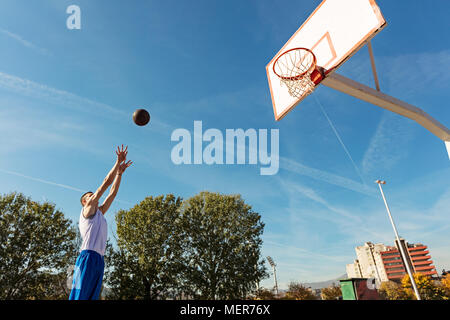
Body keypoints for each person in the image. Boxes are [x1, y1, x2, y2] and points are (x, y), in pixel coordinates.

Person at [69, 145, 132, 300]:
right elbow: (105, 184)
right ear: (85, 202)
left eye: (93, 195)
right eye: (90, 196)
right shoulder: (87, 211)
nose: (93, 197)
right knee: (80, 296)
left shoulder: (100, 213)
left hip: (99, 259)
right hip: (87, 257)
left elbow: (113, 193)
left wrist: (120, 174)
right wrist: (117, 162)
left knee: (92, 297)